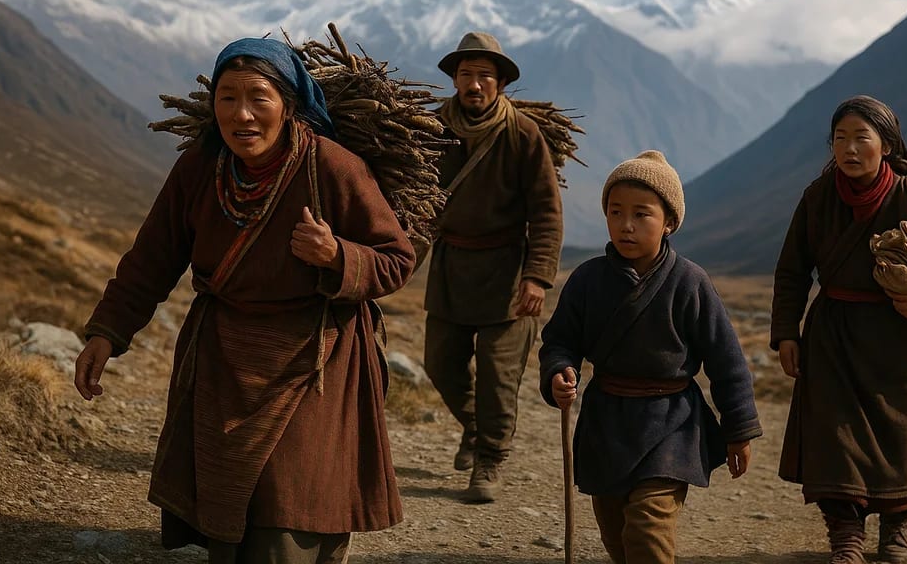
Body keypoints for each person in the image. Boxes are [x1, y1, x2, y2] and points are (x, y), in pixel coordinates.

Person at [73, 38, 416, 564]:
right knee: (231, 516)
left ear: (289, 104)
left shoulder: (333, 167)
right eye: (227, 98)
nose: (242, 114)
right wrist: (107, 333)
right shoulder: (200, 168)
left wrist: (338, 256)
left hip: (314, 359)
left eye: (258, 97)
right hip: (224, 359)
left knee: (289, 515)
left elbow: (396, 258)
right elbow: (152, 259)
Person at [771, 95, 907, 564]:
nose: (848, 149)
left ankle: (895, 534)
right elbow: (792, 271)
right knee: (835, 439)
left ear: (885, 145)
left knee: (901, 441)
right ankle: (846, 537)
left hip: (901, 339)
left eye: (860, 138)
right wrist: (787, 332)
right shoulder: (817, 197)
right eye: (839, 139)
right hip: (833, 336)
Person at [539, 150, 762, 564]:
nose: (626, 225)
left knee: (647, 527)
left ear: (670, 222)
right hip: (607, 420)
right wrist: (560, 371)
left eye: (642, 214)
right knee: (618, 536)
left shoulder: (690, 282)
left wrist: (739, 429)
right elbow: (559, 342)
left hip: (671, 421)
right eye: (615, 211)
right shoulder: (587, 280)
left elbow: (726, 360)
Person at [424, 31, 564, 503]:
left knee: (498, 377)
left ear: (501, 83)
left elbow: (546, 211)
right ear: (455, 81)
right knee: (440, 363)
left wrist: (537, 276)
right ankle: (475, 428)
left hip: (508, 271)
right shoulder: (430, 130)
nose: (475, 84)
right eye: (467, 75)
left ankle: (490, 460)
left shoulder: (523, 134)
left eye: (485, 75)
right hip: (451, 266)